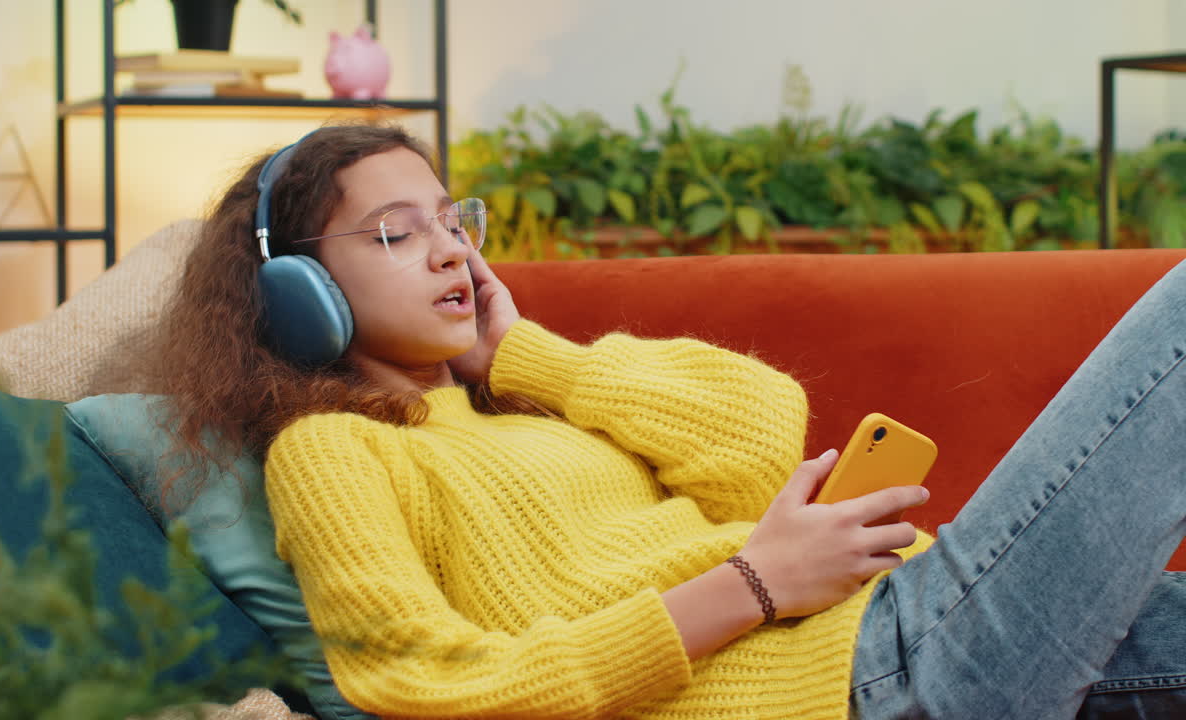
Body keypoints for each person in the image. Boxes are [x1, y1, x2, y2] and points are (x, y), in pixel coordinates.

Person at [154, 123, 1186, 719]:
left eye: (451, 221)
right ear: (296, 289)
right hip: (875, 677)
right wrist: (749, 586)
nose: (449, 252)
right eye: (394, 232)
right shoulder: (333, 450)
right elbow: (423, 679)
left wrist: (525, 355)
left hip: (907, 620)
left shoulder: (523, 397)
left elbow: (757, 438)